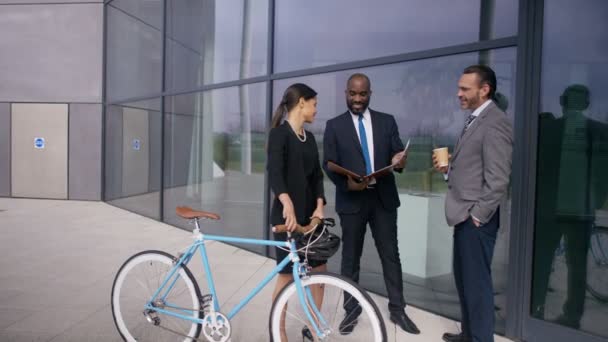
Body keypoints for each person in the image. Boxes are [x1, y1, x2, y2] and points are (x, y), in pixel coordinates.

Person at [323, 73, 420, 335]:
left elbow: (397, 153)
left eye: (362, 94)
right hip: (352, 200)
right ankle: (351, 312)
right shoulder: (334, 126)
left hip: (382, 199)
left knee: (391, 255)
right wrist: (347, 184)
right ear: (346, 93)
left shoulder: (386, 122)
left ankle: (398, 310)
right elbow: (328, 164)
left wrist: (400, 159)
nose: (356, 99)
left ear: (370, 94)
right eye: (352, 94)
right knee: (350, 259)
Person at [433, 65, 513, 342]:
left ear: (484, 89)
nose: (459, 94)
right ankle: (469, 335)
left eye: (465, 89)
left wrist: (478, 216)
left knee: (477, 287)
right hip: (464, 215)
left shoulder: (495, 122)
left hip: (476, 220)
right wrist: (448, 171)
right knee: (465, 282)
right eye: (459, 88)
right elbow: (476, 169)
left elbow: (499, 179)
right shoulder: (475, 119)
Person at [531, 84, 608, 329]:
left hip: (550, 211)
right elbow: (604, 174)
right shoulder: (600, 131)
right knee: (578, 266)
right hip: (581, 210)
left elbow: (538, 170)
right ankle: (572, 316)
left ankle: (535, 309)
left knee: (541, 262)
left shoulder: (548, 129)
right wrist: (594, 201)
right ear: (586, 104)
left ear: (563, 102)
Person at [267, 83, 326, 341]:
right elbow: (275, 172)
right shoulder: (279, 135)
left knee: (320, 271)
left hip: (310, 219)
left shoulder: (310, 138)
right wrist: (286, 201)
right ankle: (278, 331)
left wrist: (320, 204)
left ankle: (314, 328)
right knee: (286, 276)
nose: (316, 109)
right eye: (314, 104)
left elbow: (317, 177)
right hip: (286, 219)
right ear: (301, 102)